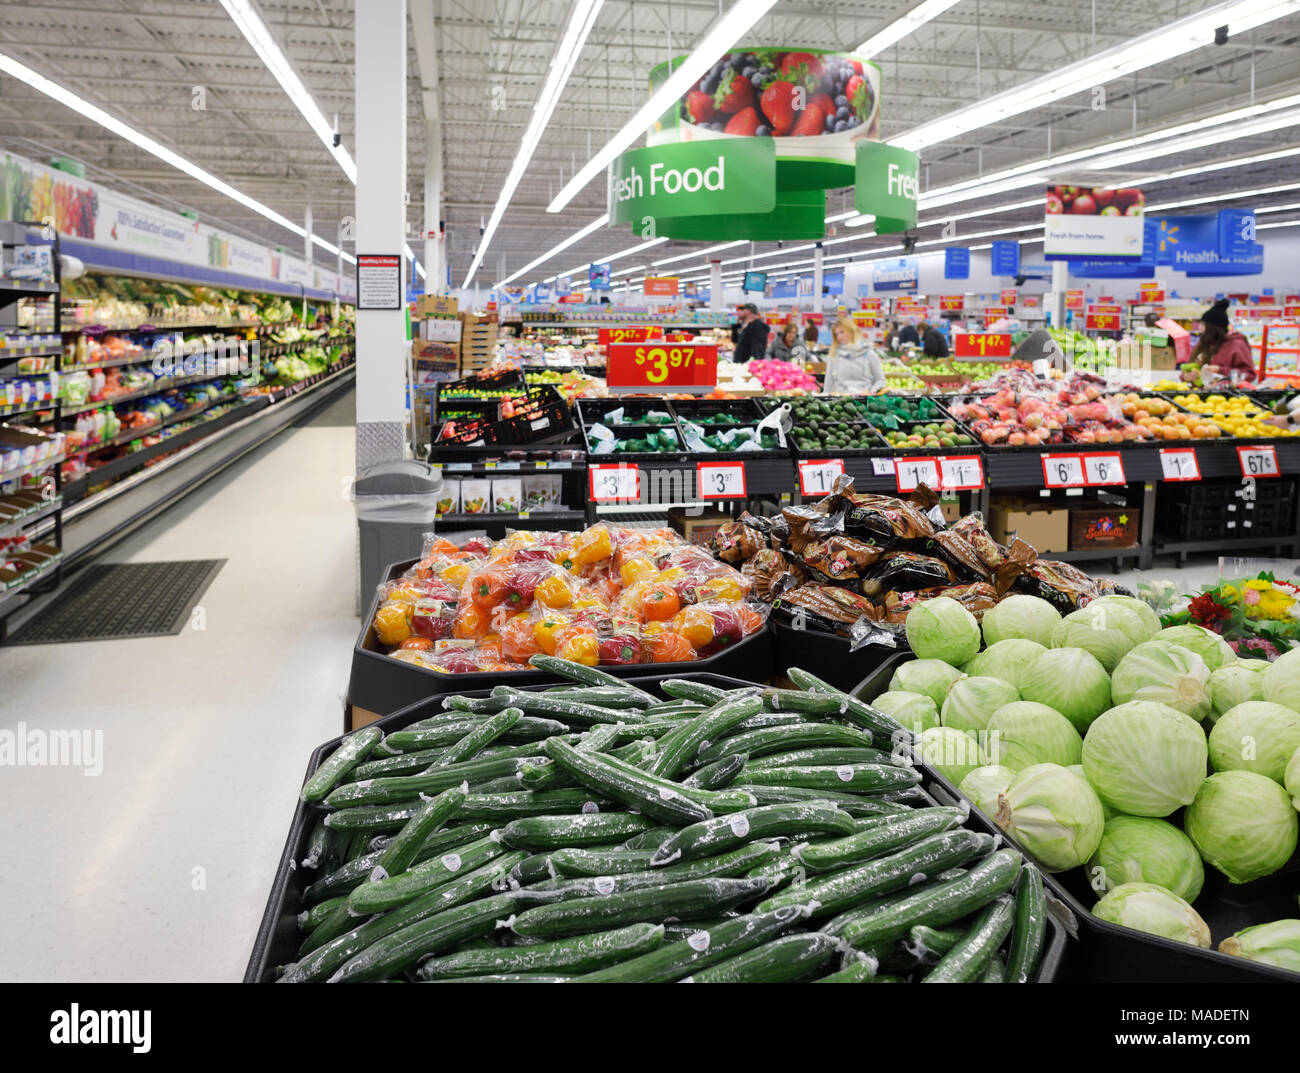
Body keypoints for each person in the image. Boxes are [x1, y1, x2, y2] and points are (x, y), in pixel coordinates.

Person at [1188, 298, 1255, 382]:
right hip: (1198, 393)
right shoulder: (1204, 344)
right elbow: (1188, 367)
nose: (1200, 328)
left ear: (1212, 328)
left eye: (1203, 325)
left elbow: (1250, 375)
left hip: (1227, 393)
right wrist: (1186, 376)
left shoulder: (1236, 345)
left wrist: (1220, 370)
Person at [823, 315, 885, 395]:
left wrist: (871, 391)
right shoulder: (834, 355)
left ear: (851, 331)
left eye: (842, 332)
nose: (839, 337)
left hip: (863, 402)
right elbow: (828, 383)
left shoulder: (869, 353)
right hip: (840, 402)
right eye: (836, 334)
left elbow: (880, 379)